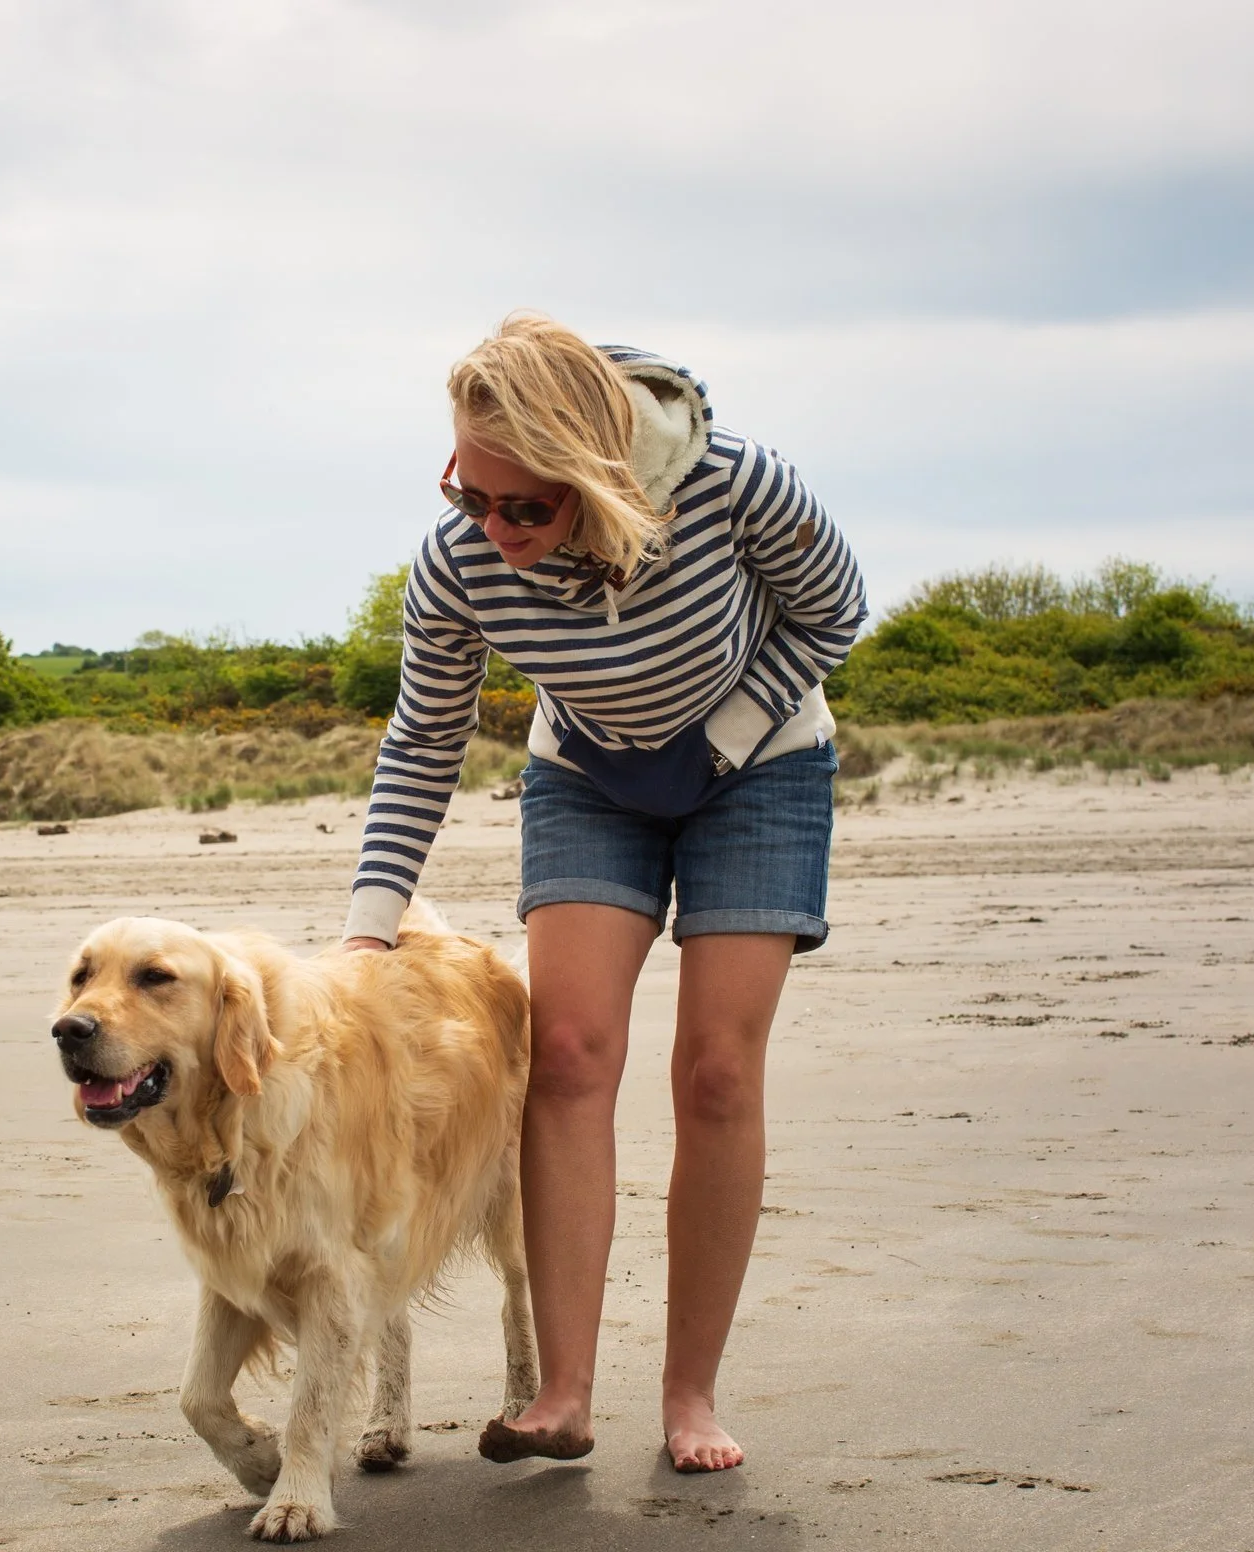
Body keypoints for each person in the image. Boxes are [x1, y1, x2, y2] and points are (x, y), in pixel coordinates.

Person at [340, 312, 866, 1473]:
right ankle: (564, 1396)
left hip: (763, 769)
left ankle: (690, 1398)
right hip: (588, 779)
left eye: (526, 506)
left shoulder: (736, 486)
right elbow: (422, 740)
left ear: (598, 471)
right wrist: (368, 932)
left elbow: (835, 608)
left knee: (717, 1072)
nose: (494, 529)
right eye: (469, 496)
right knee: (570, 1050)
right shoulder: (462, 561)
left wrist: (723, 738)